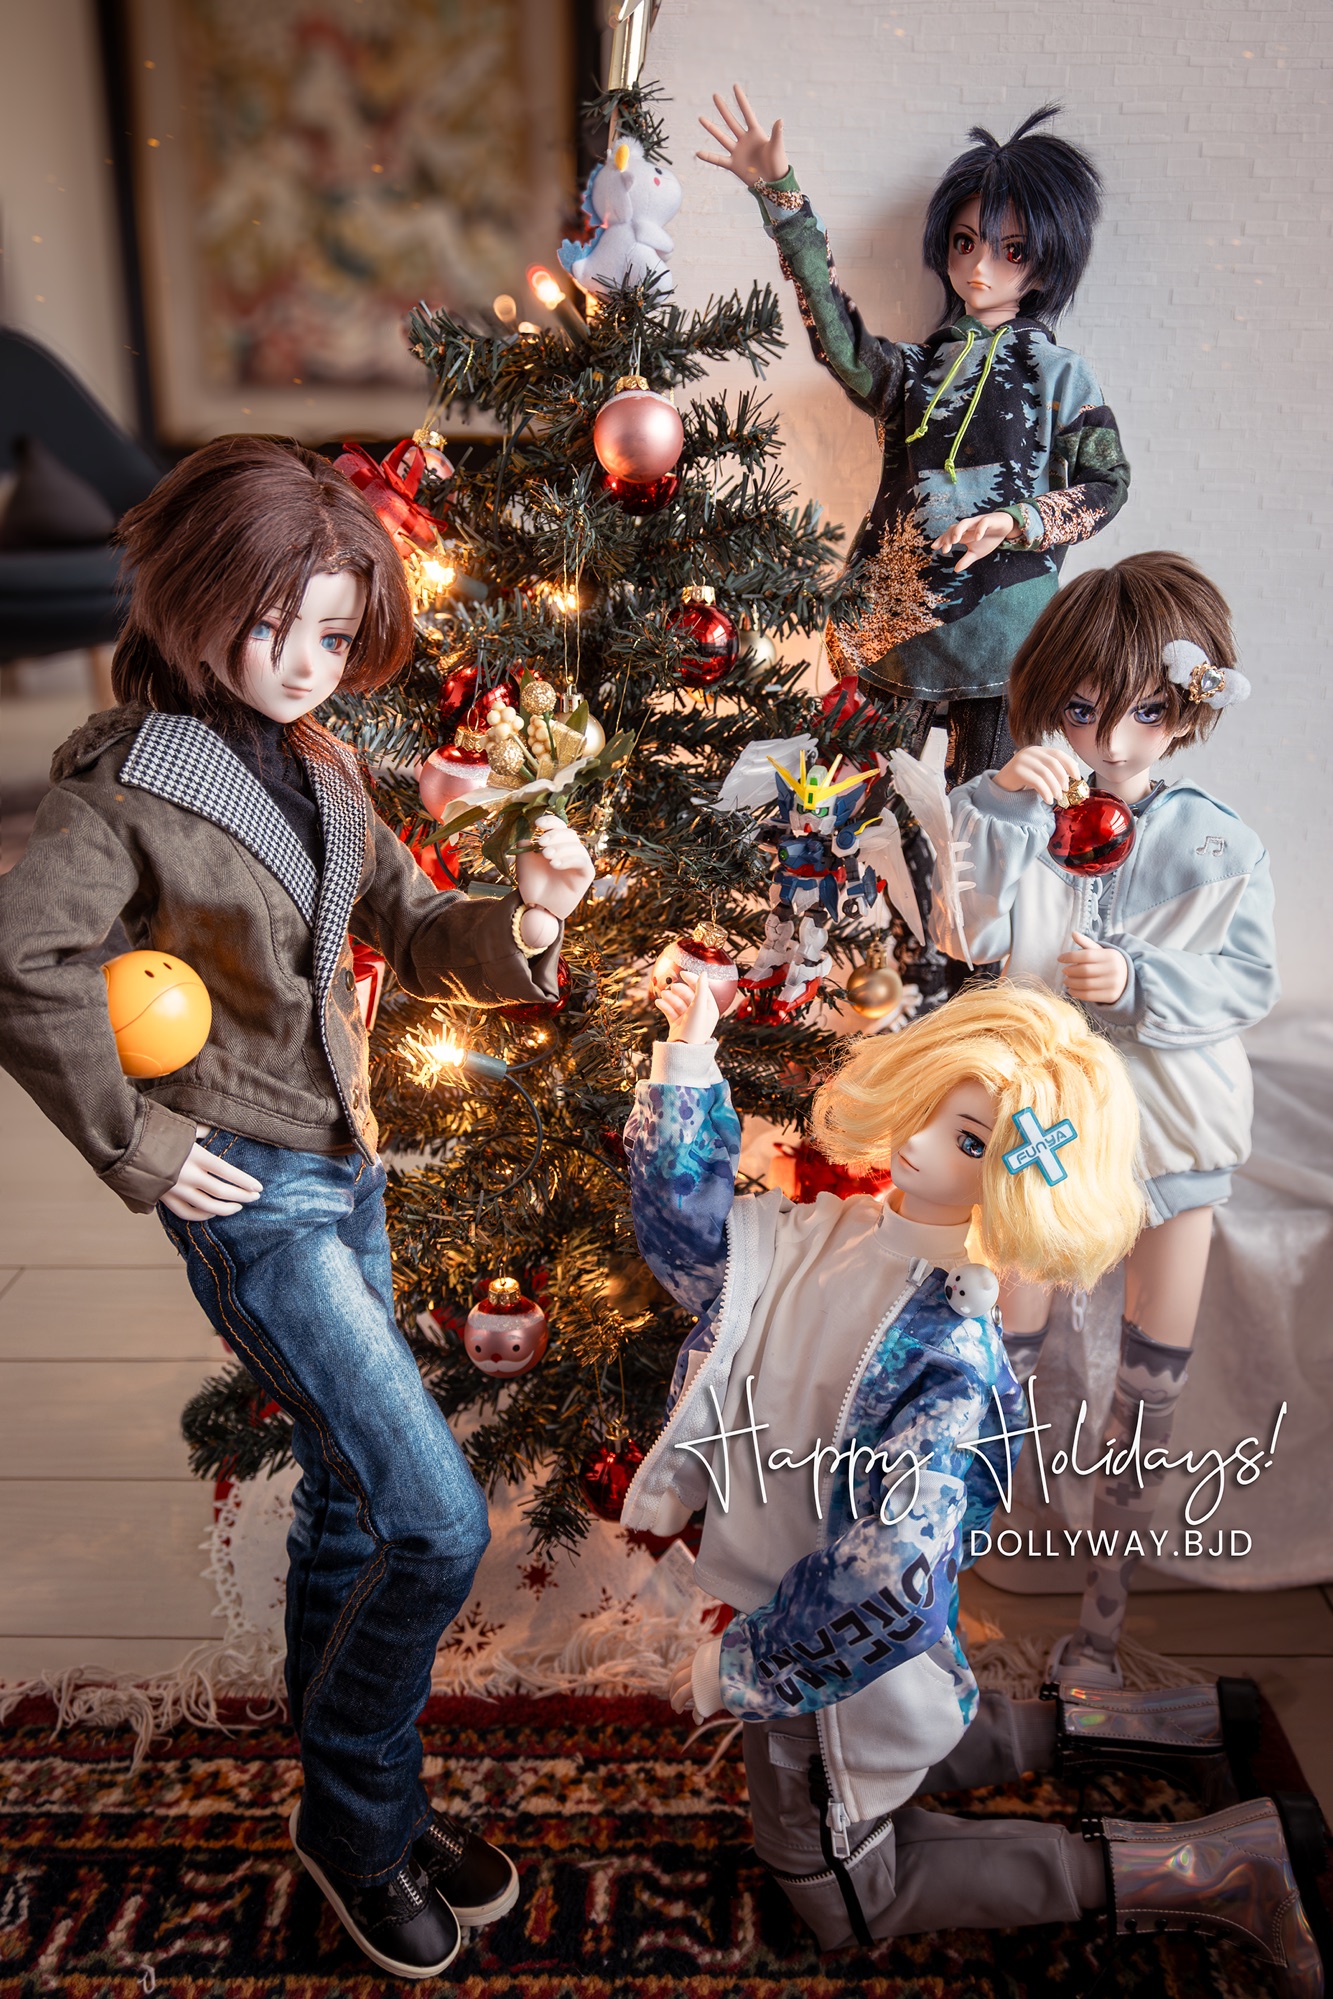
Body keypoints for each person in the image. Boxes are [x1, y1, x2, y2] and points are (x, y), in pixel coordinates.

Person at [0, 436, 596, 1981]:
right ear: (200, 600)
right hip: (248, 1187)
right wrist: (138, 1142)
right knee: (434, 1517)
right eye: (271, 625)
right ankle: (360, 1813)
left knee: (348, 1491)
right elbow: (25, 960)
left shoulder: (324, 766)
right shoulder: (126, 780)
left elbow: (412, 917)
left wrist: (529, 921)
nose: (302, 660)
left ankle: (356, 1813)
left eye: (330, 633)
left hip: (346, 1158)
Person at [618, 981, 1321, 1993]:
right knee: (914, 1731)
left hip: (827, 1643)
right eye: (932, 1108)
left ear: (1019, 1182)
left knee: (837, 1885)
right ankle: (1170, 1726)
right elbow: (693, 1249)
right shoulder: (824, 1232)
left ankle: (1215, 1867)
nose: (917, 1143)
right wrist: (688, 1054)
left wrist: (741, 1668)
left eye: (971, 1141)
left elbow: (892, 1572)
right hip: (824, 1625)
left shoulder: (948, 1355)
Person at [940, 549, 1279, 1687]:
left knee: (1150, 1382)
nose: (1113, 740)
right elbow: (962, 933)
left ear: (1187, 708)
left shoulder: (1218, 842)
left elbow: (1247, 982)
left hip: (1171, 1133)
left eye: (1145, 711)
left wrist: (1138, 984)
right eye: (1083, 711)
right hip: (1043, 1126)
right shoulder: (1018, 809)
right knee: (992, 1355)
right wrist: (995, 804)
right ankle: (946, 1602)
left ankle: (1099, 1631)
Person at [697, 86, 1130, 792]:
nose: (980, 265)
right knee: (857, 811)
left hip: (1008, 635)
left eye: (1012, 249)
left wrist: (1016, 521)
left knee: (990, 816)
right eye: (965, 242)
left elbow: (1106, 487)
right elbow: (838, 341)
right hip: (892, 629)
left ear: (1046, 263)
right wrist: (782, 201)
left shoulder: (1061, 374)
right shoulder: (913, 370)